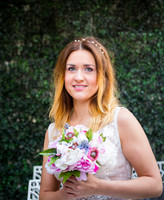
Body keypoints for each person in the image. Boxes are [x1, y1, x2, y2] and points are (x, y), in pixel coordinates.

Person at [39, 36, 162, 200]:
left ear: (102, 76)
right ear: (62, 75)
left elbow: (154, 185)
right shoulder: (54, 131)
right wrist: (67, 193)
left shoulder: (121, 120)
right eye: (71, 68)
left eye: (88, 69)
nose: (78, 77)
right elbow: (45, 196)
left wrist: (97, 187)